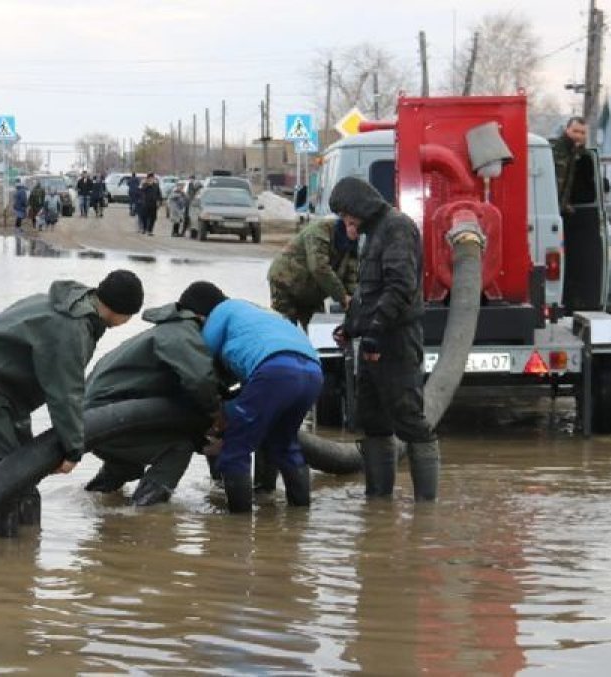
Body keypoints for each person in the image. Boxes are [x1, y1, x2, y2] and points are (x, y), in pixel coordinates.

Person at [0, 270, 144, 537]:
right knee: (0, 481)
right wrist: (73, 450)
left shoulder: (72, 306)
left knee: (23, 480)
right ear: (123, 313)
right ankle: (6, 560)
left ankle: (25, 550)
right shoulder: (71, 327)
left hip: (6, 389)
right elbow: (66, 393)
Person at [328, 176, 439, 502]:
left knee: (409, 418)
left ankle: (425, 508)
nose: (344, 221)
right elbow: (366, 292)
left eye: (346, 213)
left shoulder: (396, 227)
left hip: (397, 340)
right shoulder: (371, 234)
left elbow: (399, 287)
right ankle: (378, 502)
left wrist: (375, 333)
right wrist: (350, 327)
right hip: (372, 342)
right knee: (372, 421)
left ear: (360, 205)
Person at [180, 281, 322, 513]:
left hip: (275, 371)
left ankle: (239, 525)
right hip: (313, 372)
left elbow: (202, 362)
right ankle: (300, 516)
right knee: (285, 445)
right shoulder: (256, 311)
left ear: (199, 315)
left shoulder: (220, 312)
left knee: (236, 448)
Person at [83, 286, 224, 506]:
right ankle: (146, 513)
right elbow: (200, 381)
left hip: (98, 417)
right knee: (178, 447)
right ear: (206, 316)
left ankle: (93, 501)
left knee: (126, 465)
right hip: (108, 418)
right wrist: (217, 413)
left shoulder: (165, 330)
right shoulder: (181, 332)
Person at [267, 217, 359, 328]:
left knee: (318, 329)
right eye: (352, 225)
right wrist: (342, 296)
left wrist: (351, 300)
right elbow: (319, 268)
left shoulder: (352, 243)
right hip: (287, 283)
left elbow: (351, 274)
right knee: (286, 328)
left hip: (313, 292)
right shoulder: (320, 231)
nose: (356, 231)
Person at [552, 116, 587, 215]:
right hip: (550, 206)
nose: (579, 135)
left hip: (560, 208)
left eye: (582, 133)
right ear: (567, 130)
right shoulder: (556, 149)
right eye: (575, 131)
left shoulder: (576, 153)